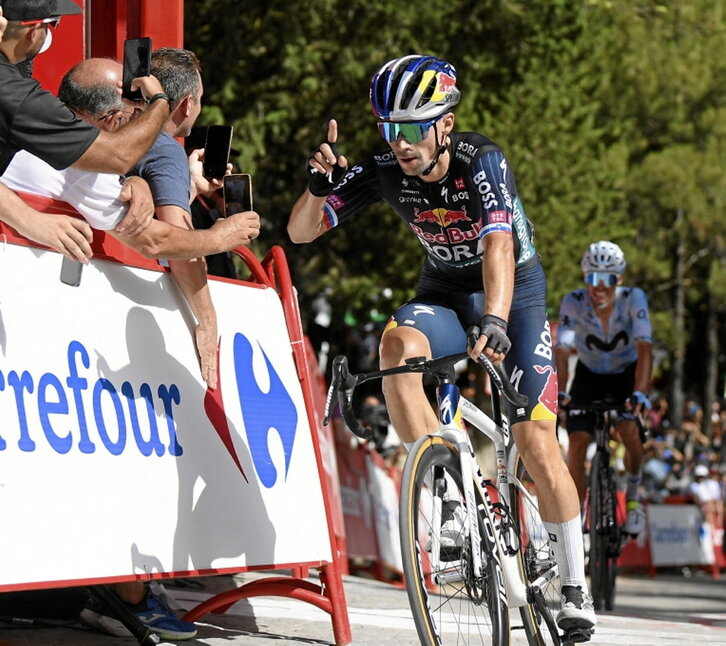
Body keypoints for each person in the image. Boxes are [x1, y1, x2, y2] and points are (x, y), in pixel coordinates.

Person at [287, 55, 595, 637]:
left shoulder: (484, 161)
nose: (398, 142)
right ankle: (448, 498)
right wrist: (315, 188)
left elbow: (499, 249)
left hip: (513, 292)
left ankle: (576, 585)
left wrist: (499, 320)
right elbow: (301, 231)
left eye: (410, 127)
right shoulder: (385, 167)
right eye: (387, 128)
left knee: (534, 440)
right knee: (397, 347)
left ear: (444, 125)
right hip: (445, 292)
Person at [0, 0, 170, 260]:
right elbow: (118, 156)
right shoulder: (16, 96)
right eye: (53, 25)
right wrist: (159, 102)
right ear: (34, 31)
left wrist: (134, 180)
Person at [556, 241, 653, 537]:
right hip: (589, 375)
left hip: (625, 374)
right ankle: (579, 515)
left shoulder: (634, 299)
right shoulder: (573, 301)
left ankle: (634, 500)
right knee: (577, 443)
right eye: (592, 278)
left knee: (629, 431)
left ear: (619, 279)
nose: (599, 286)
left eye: (608, 279)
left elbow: (645, 348)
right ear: (585, 278)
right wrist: (561, 393)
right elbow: (561, 351)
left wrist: (640, 393)